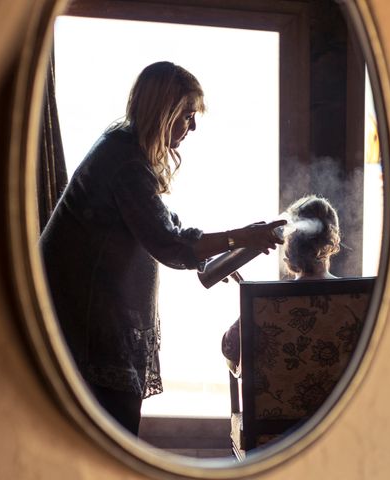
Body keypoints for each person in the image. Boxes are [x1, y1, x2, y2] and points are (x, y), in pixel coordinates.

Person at [39, 61, 285, 436]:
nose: (194, 126)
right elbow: (171, 244)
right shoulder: (126, 164)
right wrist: (241, 237)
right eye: (187, 115)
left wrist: (220, 253)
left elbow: (166, 226)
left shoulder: (122, 146)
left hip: (89, 312)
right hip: (87, 318)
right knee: (111, 434)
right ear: (164, 111)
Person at [221, 194, 341, 373]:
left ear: (288, 246)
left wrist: (247, 310)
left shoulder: (264, 303)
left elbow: (230, 351)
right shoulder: (357, 299)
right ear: (331, 243)